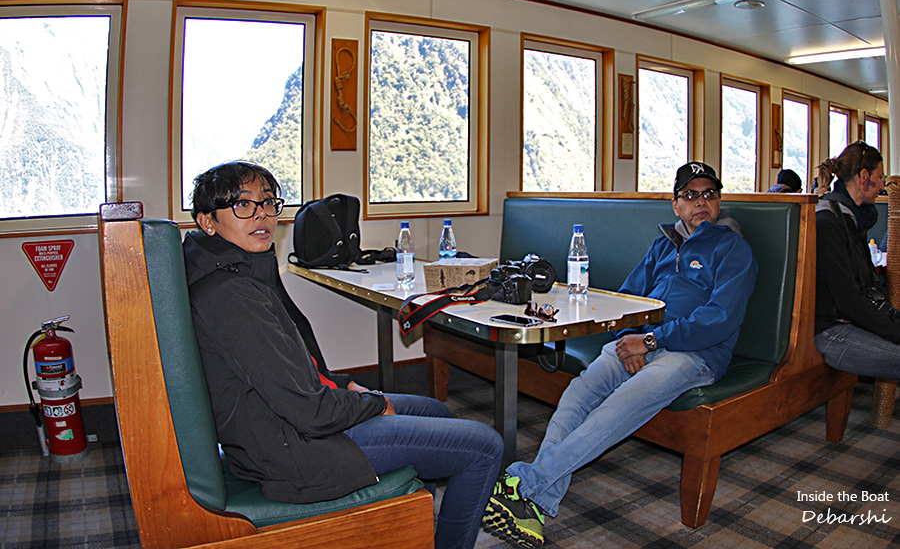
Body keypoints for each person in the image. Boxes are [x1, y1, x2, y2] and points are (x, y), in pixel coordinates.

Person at [182, 161, 503, 549]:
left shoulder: (241, 271)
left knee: (436, 411)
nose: (262, 216)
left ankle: (410, 527)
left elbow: (293, 364)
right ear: (207, 221)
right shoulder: (231, 295)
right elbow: (308, 410)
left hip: (286, 427)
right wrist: (369, 404)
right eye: (243, 205)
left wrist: (341, 385)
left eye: (268, 203)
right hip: (295, 450)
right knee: (484, 446)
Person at [481, 162, 758, 548]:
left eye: (709, 194)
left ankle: (526, 482)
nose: (701, 202)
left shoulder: (732, 248)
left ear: (719, 201)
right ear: (675, 205)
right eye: (690, 195)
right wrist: (630, 337)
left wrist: (651, 342)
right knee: (578, 395)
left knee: (620, 405)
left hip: (694, 355)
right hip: (639, 345)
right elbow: (628, 299)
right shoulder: (663, 244)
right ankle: (535, 506)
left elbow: (720, 318)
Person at [814, 142, 900, 379]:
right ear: (864, 177)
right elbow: (848, 299)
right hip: (830, 331)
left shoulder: (850, 219)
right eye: (880, 177)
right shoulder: (828, 222)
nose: (883, 185)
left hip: (851, 321)